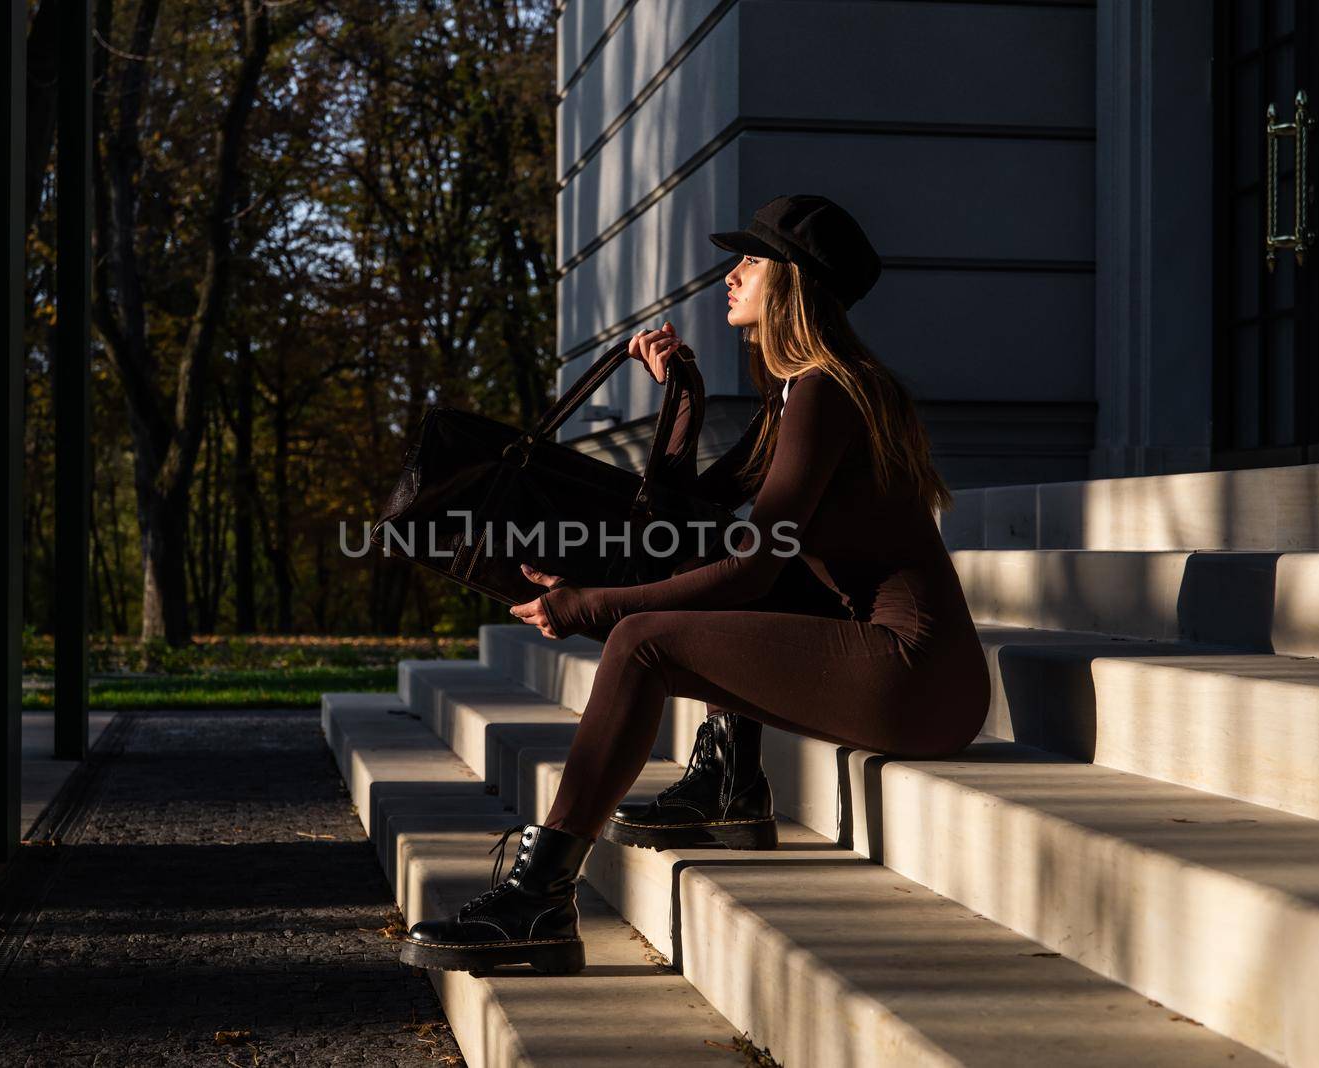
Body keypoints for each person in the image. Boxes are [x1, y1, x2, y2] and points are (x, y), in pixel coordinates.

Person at [398, 194, 991, 977]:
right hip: (905, 670)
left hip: (914, 674)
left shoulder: (825, 390)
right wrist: (682, 394)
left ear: (792, 281)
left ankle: (538, 897)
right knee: (682, 576)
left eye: (751, 259)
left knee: (645, 641)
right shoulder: (799, 391)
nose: (732, 273)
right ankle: (728, 783)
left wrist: (595, 609)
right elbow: (687, 523)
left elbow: (753, 567)